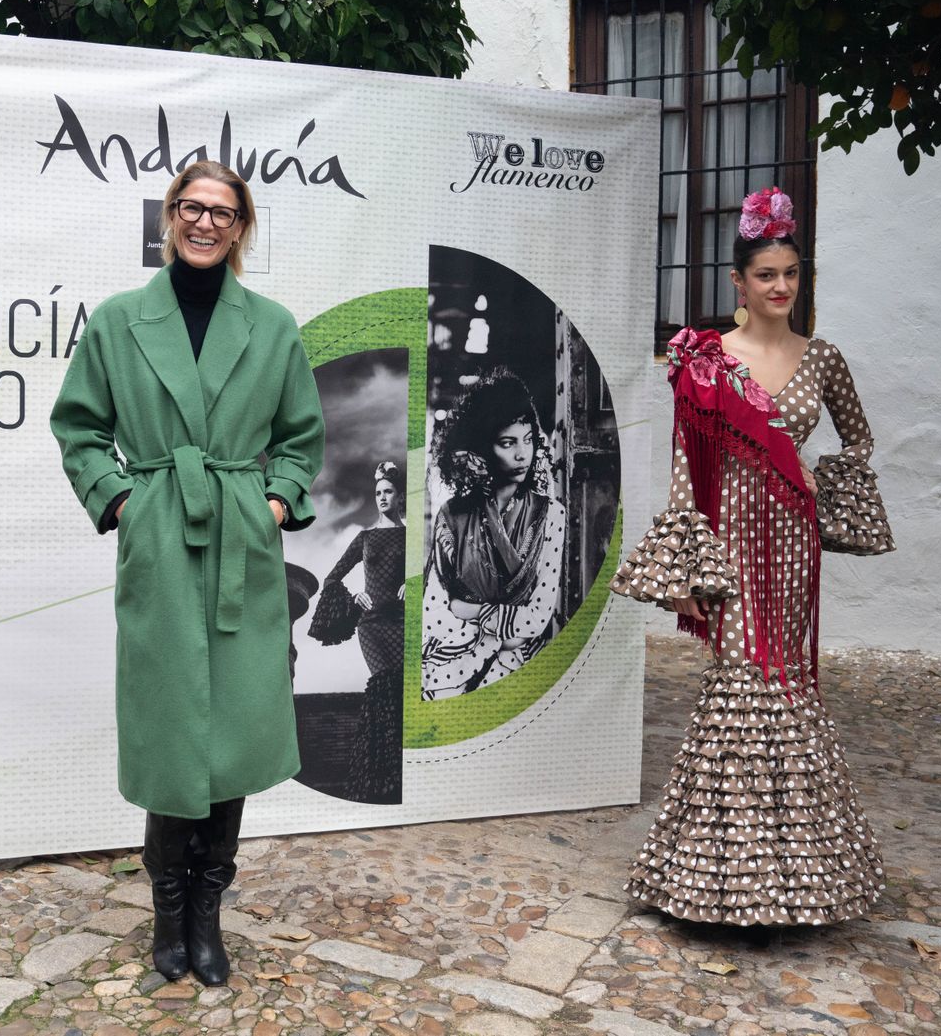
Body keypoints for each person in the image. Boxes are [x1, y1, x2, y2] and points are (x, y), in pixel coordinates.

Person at [49, 161, 325, 983]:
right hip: (164, 530)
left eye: (223, 212)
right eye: (191, 208)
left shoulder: (273, 327)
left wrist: (274, 503)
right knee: (173, 721)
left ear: (242, 228)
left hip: (241, 532)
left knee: (236, 725)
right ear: (169, 217)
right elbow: (80, 427)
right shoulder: (120, 320)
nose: (205, 223)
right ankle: (167, 907)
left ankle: (208, 909)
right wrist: (125, 504)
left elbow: (303, 439)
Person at [610, 187, 894, 925]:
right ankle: (721, 877)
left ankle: (796, 877)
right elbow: (684, 462)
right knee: (740, 680)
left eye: (791, 274)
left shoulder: (822, 359)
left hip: (793, 545)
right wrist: (682, 576)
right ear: (738, 283)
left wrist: (827, 494)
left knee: (788, 682)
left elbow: (857, 438)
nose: (779, 286)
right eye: (765, 274)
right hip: (728, 537)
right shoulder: (709, 361)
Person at [422, 368, 566, 699]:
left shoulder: (551, 516)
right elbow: (433, 613)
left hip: (522, 667)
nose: (522, 455)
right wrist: (499, 629)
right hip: (450, 667)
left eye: (528, 440)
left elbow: (536, 621)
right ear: (484, 447)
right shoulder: (453, 515)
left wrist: (472, 609)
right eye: (507, 443)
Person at [315, 460, 406, 803]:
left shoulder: (411, 535)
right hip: (372, 626)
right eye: (378, 493)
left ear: (399, 498)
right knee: (384, 687)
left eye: (388, 493)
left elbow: (436, 572)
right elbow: (331, 578)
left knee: (402, 689)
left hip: (402, 621)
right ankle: (379, 776)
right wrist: (355, 594)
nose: (382, 498)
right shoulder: (365, 537)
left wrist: (414, 583)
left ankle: (401, 769)